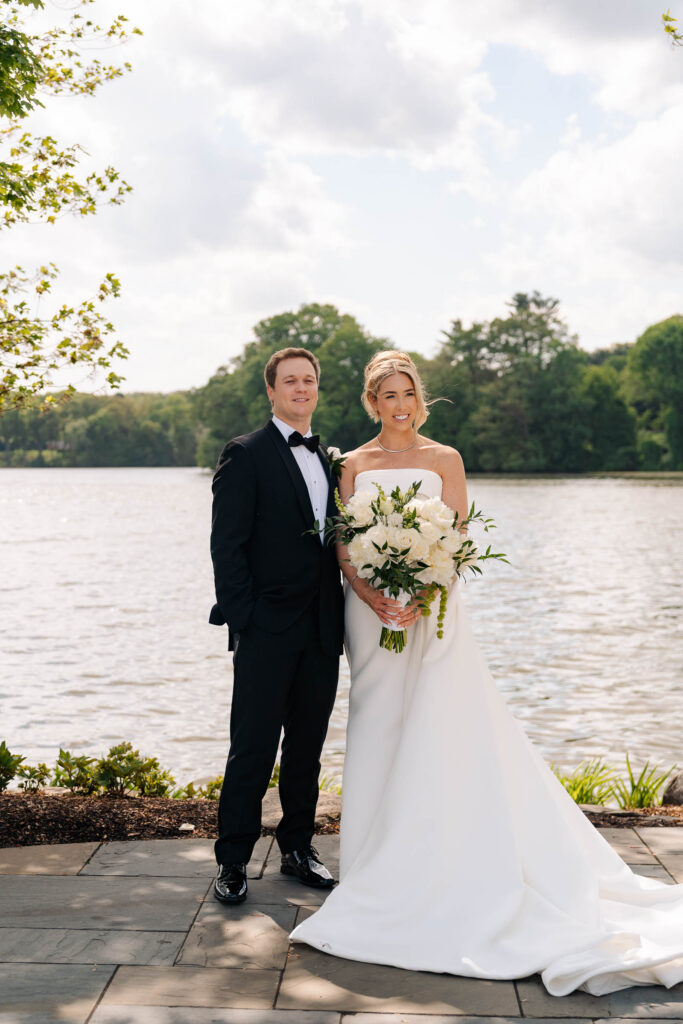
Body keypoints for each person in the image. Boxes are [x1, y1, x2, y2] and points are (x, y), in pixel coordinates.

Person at [290, 350, 683, 997]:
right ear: (371, 401)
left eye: (406, 392)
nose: (398, 404)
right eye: (386, 394)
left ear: (419, 398)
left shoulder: (445, 458)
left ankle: (445, 856)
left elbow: (458, 540)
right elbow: (340, 541)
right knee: (376, 726)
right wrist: (371, 595)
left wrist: (420, 592)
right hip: (370, 615)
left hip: (434, 612)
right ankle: (367, 868)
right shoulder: (352, 464)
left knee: (440, 727)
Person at [209, 347, 344, 904]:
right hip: (266, 630)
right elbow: (226, 545)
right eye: (290, 380)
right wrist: (245, 620)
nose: (301, 388)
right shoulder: (246, 453)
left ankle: (297, 849)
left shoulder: (331, 460)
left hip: (321, 630)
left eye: (308, 380)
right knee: (252, 748)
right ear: (271, 391)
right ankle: (233, 861)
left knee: (307, 749)